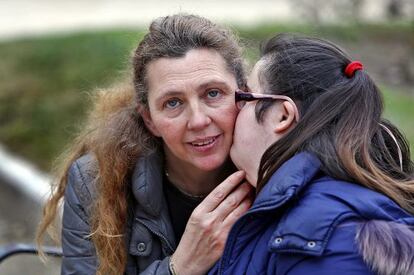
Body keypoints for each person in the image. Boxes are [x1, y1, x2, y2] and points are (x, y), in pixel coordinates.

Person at [36, 14, 255, 275]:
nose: (197, 120)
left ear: (243, 95)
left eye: (213, 93)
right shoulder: (94, 182)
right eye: (173, 102)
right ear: (149, 119)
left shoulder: (276, 170)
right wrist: (179, 267)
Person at [210, 34, 414, 275]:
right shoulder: (295, 215)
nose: (236, 110)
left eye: (245, 98)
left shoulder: (327, 234)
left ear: (282, 116)